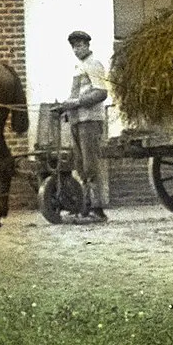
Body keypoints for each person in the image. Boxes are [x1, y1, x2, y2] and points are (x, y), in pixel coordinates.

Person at [64, 30, 110, 221]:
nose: (77, 49)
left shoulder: (94, 64)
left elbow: (101, 92)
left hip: (90, 120)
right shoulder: (78, 66)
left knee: (91, 165)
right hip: (77, 120)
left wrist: (77, 103)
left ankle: (98, 209)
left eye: (81, 45)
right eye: (74, 46)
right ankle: (86, 206)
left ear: (87, 46)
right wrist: (66, 106)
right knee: (81, 166)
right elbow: (75, 94)